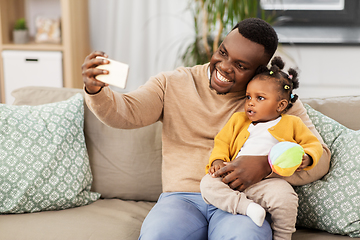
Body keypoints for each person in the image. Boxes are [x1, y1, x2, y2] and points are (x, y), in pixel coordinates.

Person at [81, 18, 331, 240]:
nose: (223, 66)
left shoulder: (275, 101)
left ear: (259, 72)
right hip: (181, 200)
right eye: (223, 52)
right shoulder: (172, 82)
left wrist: (266, 165)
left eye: (241, 66)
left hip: (243, 201)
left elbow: (321, 159)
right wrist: (96, 90)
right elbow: (126, 113)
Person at [200, 56, 323, 240]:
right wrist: (217, 161)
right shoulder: (238, 120)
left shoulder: (292, 123)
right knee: (207, 184)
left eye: (260, 98)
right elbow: (222, 142)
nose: (250, 102)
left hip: (268, 183)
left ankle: (282, 236)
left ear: (280, 105)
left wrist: (308, 156)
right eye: (248, 96)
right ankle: (247, 208)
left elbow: (313, 144)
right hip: (233, 180)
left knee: (286, 198)